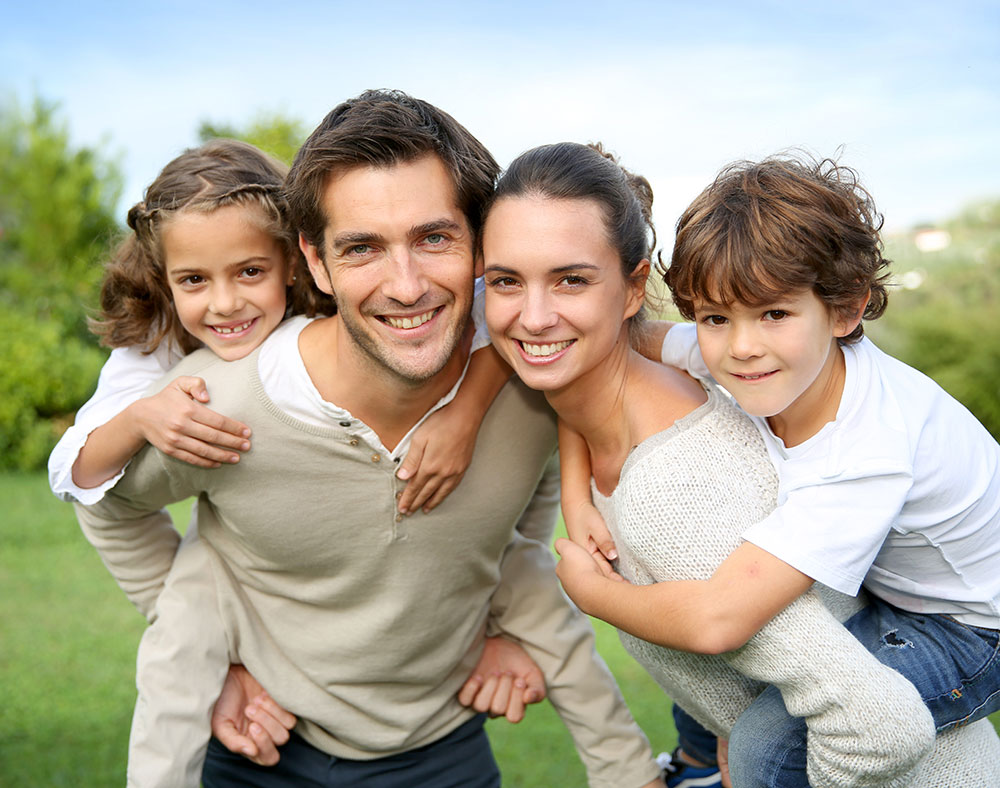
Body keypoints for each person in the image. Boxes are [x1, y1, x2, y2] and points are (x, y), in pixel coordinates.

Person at [74, 90, 664, 788]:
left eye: (434, 238)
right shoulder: (220, 403)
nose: (406, 285)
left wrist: (505, 630)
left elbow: (526, 499)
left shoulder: (533, 380)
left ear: (482, 244)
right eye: (362, 248)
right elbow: (105, 503)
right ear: (314, 264)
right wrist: (217, 655)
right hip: (260, 748)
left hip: (441, 750)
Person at [49, 137, 519, 786]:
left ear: (295, 263)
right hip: (229, 582)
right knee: (179, 654)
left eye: (249, 272)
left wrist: (464, 413)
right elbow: (75, 470)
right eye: (193, 280)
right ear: (164, 279)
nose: (224, 304)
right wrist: (140, 417)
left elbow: (498, 327)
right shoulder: (154, 347)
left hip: (418, 703)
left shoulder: (344, 312)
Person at [482, 141, 946, 788]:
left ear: (633, 288)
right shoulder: (648, 386)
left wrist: (599, 597)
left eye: (571, 279)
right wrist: (576, 494)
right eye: (505, 280)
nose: (532, 315)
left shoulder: (679, 485)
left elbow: (879, 723)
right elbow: (566, 380)